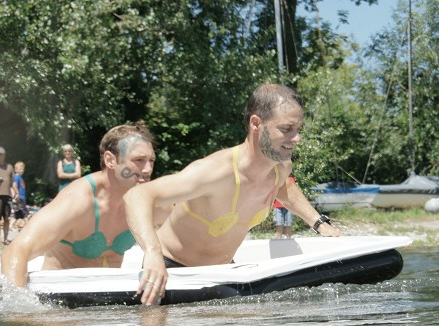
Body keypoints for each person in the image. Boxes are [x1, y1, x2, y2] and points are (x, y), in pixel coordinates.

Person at [124, 83, 341, 305]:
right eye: (287, 129)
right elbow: (138, 195)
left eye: (298, 129)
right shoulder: (217, 172)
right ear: (256, 123)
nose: (297, 138)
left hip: (224, 273)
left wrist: (320, 224)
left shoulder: (280, 168)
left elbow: (284, 187)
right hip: (173, 272)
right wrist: (151, 253)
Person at [1, 123, 159, 287]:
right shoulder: (78, 200)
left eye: (151, 160)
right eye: (139, 160)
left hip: (109, 305)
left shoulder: (147, 199)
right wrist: (19, 311)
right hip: (59, 303)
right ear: (110, 160)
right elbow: (14, 252)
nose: (148, 169)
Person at [12, 161, 29, 228]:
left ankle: (10, 226)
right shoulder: (16, 177)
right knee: (25, 212)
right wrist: (17, 193)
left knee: (17, 214)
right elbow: (14, 185)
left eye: (22, 169)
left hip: (21, 197)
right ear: (15, 169)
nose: (21, 170)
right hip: (20, 197)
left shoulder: (20, 177)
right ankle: (28, 227)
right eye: (19, 169)